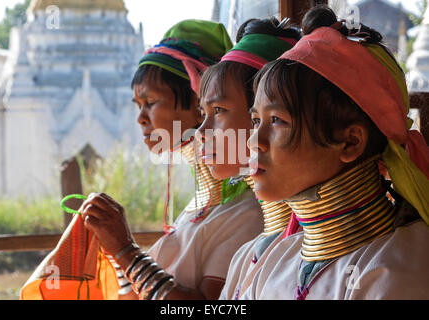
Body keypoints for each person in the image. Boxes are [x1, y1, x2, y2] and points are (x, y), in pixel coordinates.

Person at [236, 5, 429, 299]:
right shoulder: (279, 258)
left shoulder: (396, 270)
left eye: (276, 120)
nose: (253, 141)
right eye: (255, 121)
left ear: (350, 142)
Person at [78, 19, 264, 300]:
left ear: (197, 102)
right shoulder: (197, 208)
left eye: (151, 103)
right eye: (138, 106)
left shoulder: (248, 212)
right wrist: (117, 253)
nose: (141, 118)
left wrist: (126, 251)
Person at [194, 17, 302, 300]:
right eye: (203, 114)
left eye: (218, 110)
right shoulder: (250, 252)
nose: (201, 132)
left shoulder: (321, 248)